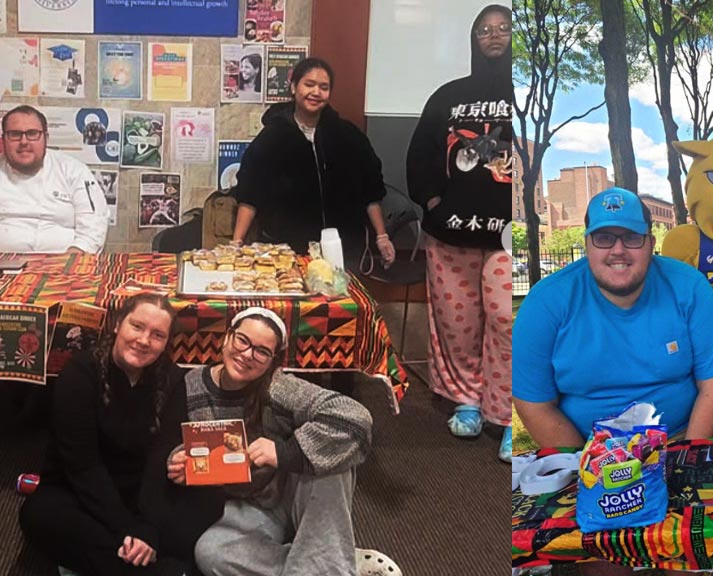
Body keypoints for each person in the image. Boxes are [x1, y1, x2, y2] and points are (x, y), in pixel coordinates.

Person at [513, 189, 713, 576]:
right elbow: (532, 401)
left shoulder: (688, 287)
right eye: (604, 238)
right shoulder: (546, 301)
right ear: (587, 244)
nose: (619, 250)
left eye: (632, 237)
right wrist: (594, 468)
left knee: (691, 551)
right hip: (588, 455)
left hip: (682, 438)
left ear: (650, 242)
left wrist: (682, 461)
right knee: (605, 560)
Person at [164, 307, 373, 576]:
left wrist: (284, 452)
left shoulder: (277, 386)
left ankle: (327, 561)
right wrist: (179, 460)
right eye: (242, 340)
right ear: (227, 337)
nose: (247, 354)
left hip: (293, 494)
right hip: (246, 507)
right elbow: (175, 441)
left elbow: (355, 418)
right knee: (211, 552)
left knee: (333, 460)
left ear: (272, 360)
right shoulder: (191, 383)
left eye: (262, 351)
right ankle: (329, 563)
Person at [19, 293, 213, 575]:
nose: (144, 340)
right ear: (117, 324)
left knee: (208, 498)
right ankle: (151, 564)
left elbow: (159, 462)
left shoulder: (174, 379)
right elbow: (83, 467)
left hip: (141, 493)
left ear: (165, 343)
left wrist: (148, 525)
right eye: (137, 326)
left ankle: (126, 558)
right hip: (79, 490)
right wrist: (130, 529)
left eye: (157, 335)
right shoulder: (79, 374)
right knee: (37, 515)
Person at [406, 4, 513, 461]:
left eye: (503, 28)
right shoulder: (448, 95)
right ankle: (467, 400)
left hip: (508, 237)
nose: (493, 36)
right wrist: (434, 200)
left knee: (509, 320)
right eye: (484, 30)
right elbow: (421, 154)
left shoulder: (529, 93)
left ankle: (509, 413)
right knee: (458, 325)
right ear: (473, 38)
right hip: (451, 234)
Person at [231, 57, 395, 268]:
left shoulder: (348, 135)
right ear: (293, 87)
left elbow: (371, 190)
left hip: (343, 249)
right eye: (309, 84)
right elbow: (249, 193)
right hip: (287, 251)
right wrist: (236, 242)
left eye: (323, 87)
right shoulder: (271, 137)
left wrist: (381, 237)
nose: (316, 92)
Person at [0, 105, 108, 253]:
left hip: (66, 267)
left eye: (32, 133)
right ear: (4, 139)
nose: (24, 141)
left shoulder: (73, 170)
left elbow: (94, 224)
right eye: (15, 134)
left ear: (46, 138)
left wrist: (72, 260)